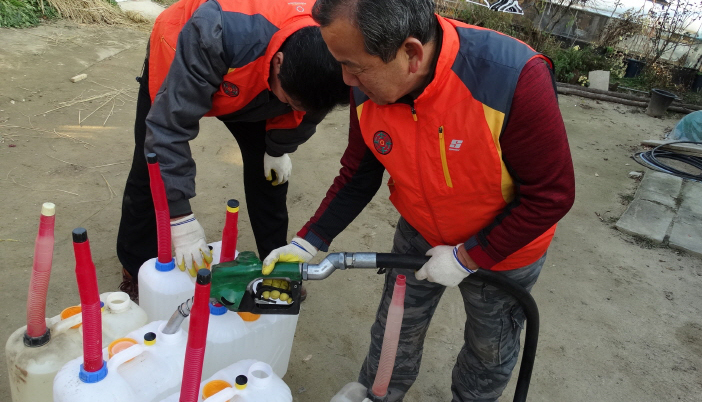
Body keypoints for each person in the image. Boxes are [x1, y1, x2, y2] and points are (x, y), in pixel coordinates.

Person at [262, 0, 575, 400]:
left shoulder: (511, 78)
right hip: (420, 230)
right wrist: (310, 239)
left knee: (489, 347)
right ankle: (376, 396)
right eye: (340, 62)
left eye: (354, 67)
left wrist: (469, 257)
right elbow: (358, 173)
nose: (346, 80)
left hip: (506, 248)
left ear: (410, 54)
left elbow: (551, 195)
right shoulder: (366, 80)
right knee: (395, 329)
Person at [116, 0, 349, 298]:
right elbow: (168, 129)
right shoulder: (214, 30)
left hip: (257, 79)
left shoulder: (336, 45)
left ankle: (277, 266)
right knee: (150, 164)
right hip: (184, 50)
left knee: (269, 177)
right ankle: (137, 267)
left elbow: (311, 110)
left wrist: (278, 148)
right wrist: (180, 217)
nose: (292, 109)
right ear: (279, 63)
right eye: (290, 101)